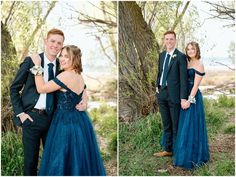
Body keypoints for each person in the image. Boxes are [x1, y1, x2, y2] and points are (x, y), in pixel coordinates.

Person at [10, 28, 87, 175]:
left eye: (59, 43)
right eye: (52, 41)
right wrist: (20, 113)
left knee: (54, 161)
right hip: (31, 118)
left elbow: (81, 85)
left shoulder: (63, 65)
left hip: (53, 120)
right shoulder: (32, 61)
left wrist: (84, 100)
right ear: (46, 41)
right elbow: (14, 88)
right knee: (30, 162)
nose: (55, 45)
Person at [30, 45, 106, 176]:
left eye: (67, 56)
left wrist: (37, 65)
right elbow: (84, 91)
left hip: (64, 123)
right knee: (78, 158)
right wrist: (85, 101)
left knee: (61, 159)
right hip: (80, 121)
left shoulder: (65, 76)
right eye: (61, 55)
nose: (62, 59)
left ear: (74, 59)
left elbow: (41, 88)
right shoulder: (79, 75)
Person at [173, 42, 209, 169]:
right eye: (188, 49)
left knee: (191, 125)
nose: (190, 51)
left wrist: (189, 100)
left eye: (192, 49)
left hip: (192, 98)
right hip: (184, 96)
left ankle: (193, 156)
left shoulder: (199, 65)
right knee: (184, 125)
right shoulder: (187, 62)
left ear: (196, 50)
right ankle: (184, 153)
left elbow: (195, 86)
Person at [154, 31, 188, 157]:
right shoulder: (162, 55)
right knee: (166, 123)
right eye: (167, 39)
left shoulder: (180, 57)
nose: (169, 41)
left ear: (175, 40)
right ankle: (168, 150)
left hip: (174, 95)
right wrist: (157, 85)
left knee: (175, 124)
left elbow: (183, 80)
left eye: (171, 39)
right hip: (162, 93)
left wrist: (183, 98)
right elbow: (160, 72)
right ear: (164, 41)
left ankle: (178, 151)